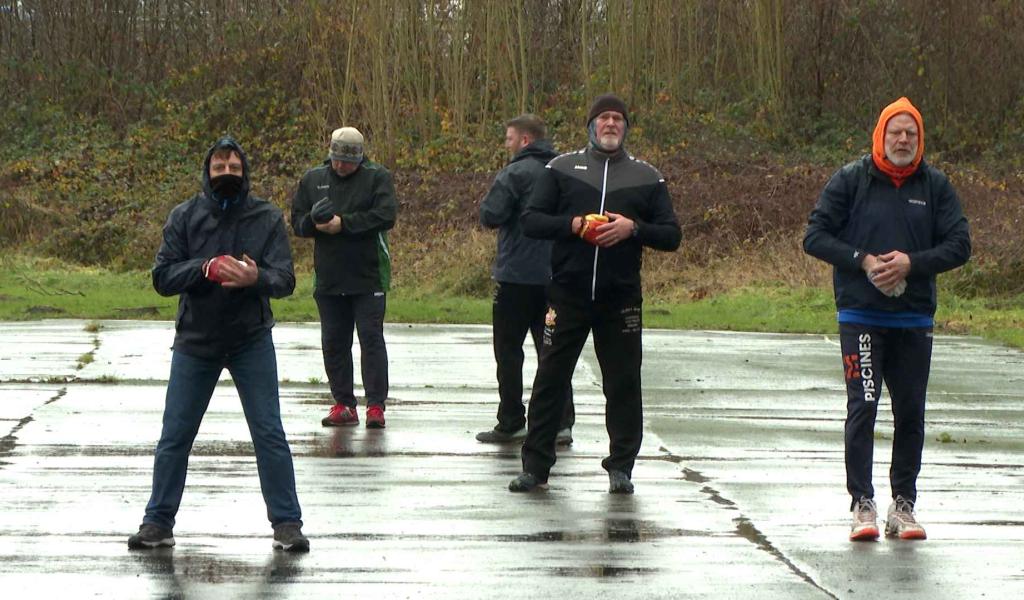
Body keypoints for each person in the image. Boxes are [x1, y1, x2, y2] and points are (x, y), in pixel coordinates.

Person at [129, 137, 308, 552]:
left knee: (269, 433)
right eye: (219, 168)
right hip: (196, 341)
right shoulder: (184, 216)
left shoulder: (266, 217)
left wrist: (255, 278)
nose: (227, 174)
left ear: (244, 172)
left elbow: (285, 279)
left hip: (250, 340)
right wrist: (204, 267)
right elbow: (162, 277)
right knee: (175, 435)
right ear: (207, 173)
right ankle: (157, 522)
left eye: (233, 168)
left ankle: (287, 524)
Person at [804, 97, 971, 541]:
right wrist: (862, 261)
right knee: (864, 405)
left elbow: (960, 245)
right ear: (881, 135)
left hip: (913, 320)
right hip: (861, 316)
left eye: (911, 134)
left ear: (919, 140)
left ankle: (904, 506)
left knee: (911, 411)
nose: (903, 140)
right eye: (896, 132)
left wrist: (911, 263)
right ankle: (862, 504)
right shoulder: (852, 180)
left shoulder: (935, 186)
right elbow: (815, 236)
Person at [508, 94, 682, 494]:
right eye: (603, 118)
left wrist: (633, 229)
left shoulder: (647, 176)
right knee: (551, 379)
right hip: (566, 293)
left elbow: (672, 235)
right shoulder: (561, 168)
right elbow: (531, 220)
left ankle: (621, 467)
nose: (610, 125)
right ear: (590, 125)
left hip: (620, 299)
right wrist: (572, 225)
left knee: (622, 383)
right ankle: (535, 467)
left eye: (617, 119)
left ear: (626, 128)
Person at [476, 114, 575, 446]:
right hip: (556, 277)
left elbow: (491, 214)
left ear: (525, 141)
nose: (506, 145)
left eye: (508, 139)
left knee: (508, 350)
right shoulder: (567, 171)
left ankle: (511, 420)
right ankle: (561, 423)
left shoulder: (515, 172)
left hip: (516, 277)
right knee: (554, 351)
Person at [291, 127, 397, 429]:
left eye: (348, 162)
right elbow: (296, 221)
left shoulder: (377, 177)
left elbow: (386, 215)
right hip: (329, 276)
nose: (341, 166)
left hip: (369, 275)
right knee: (334, 342)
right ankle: (343, 403)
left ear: (360, 158)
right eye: (336, 160)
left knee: (371, 339)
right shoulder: (313, 179)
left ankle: (375, 406)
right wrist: (314, 223)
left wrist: (344, 224)